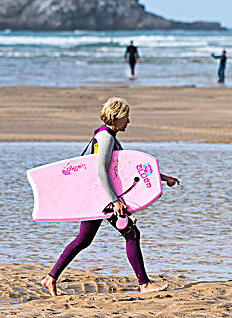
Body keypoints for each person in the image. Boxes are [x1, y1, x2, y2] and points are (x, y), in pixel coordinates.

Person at [41, 97, 180, 297]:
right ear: (116, 117)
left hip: (98, 196)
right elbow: (101, 170)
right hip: (103, 198)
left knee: (83, 239)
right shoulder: (106, 138)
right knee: (132, 234)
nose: (129, 122)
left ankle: (50, 278)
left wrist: (162, 177)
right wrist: (115, 201)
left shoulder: (107, 135)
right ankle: (144, 284)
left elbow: (126, 169)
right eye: (126, 117)